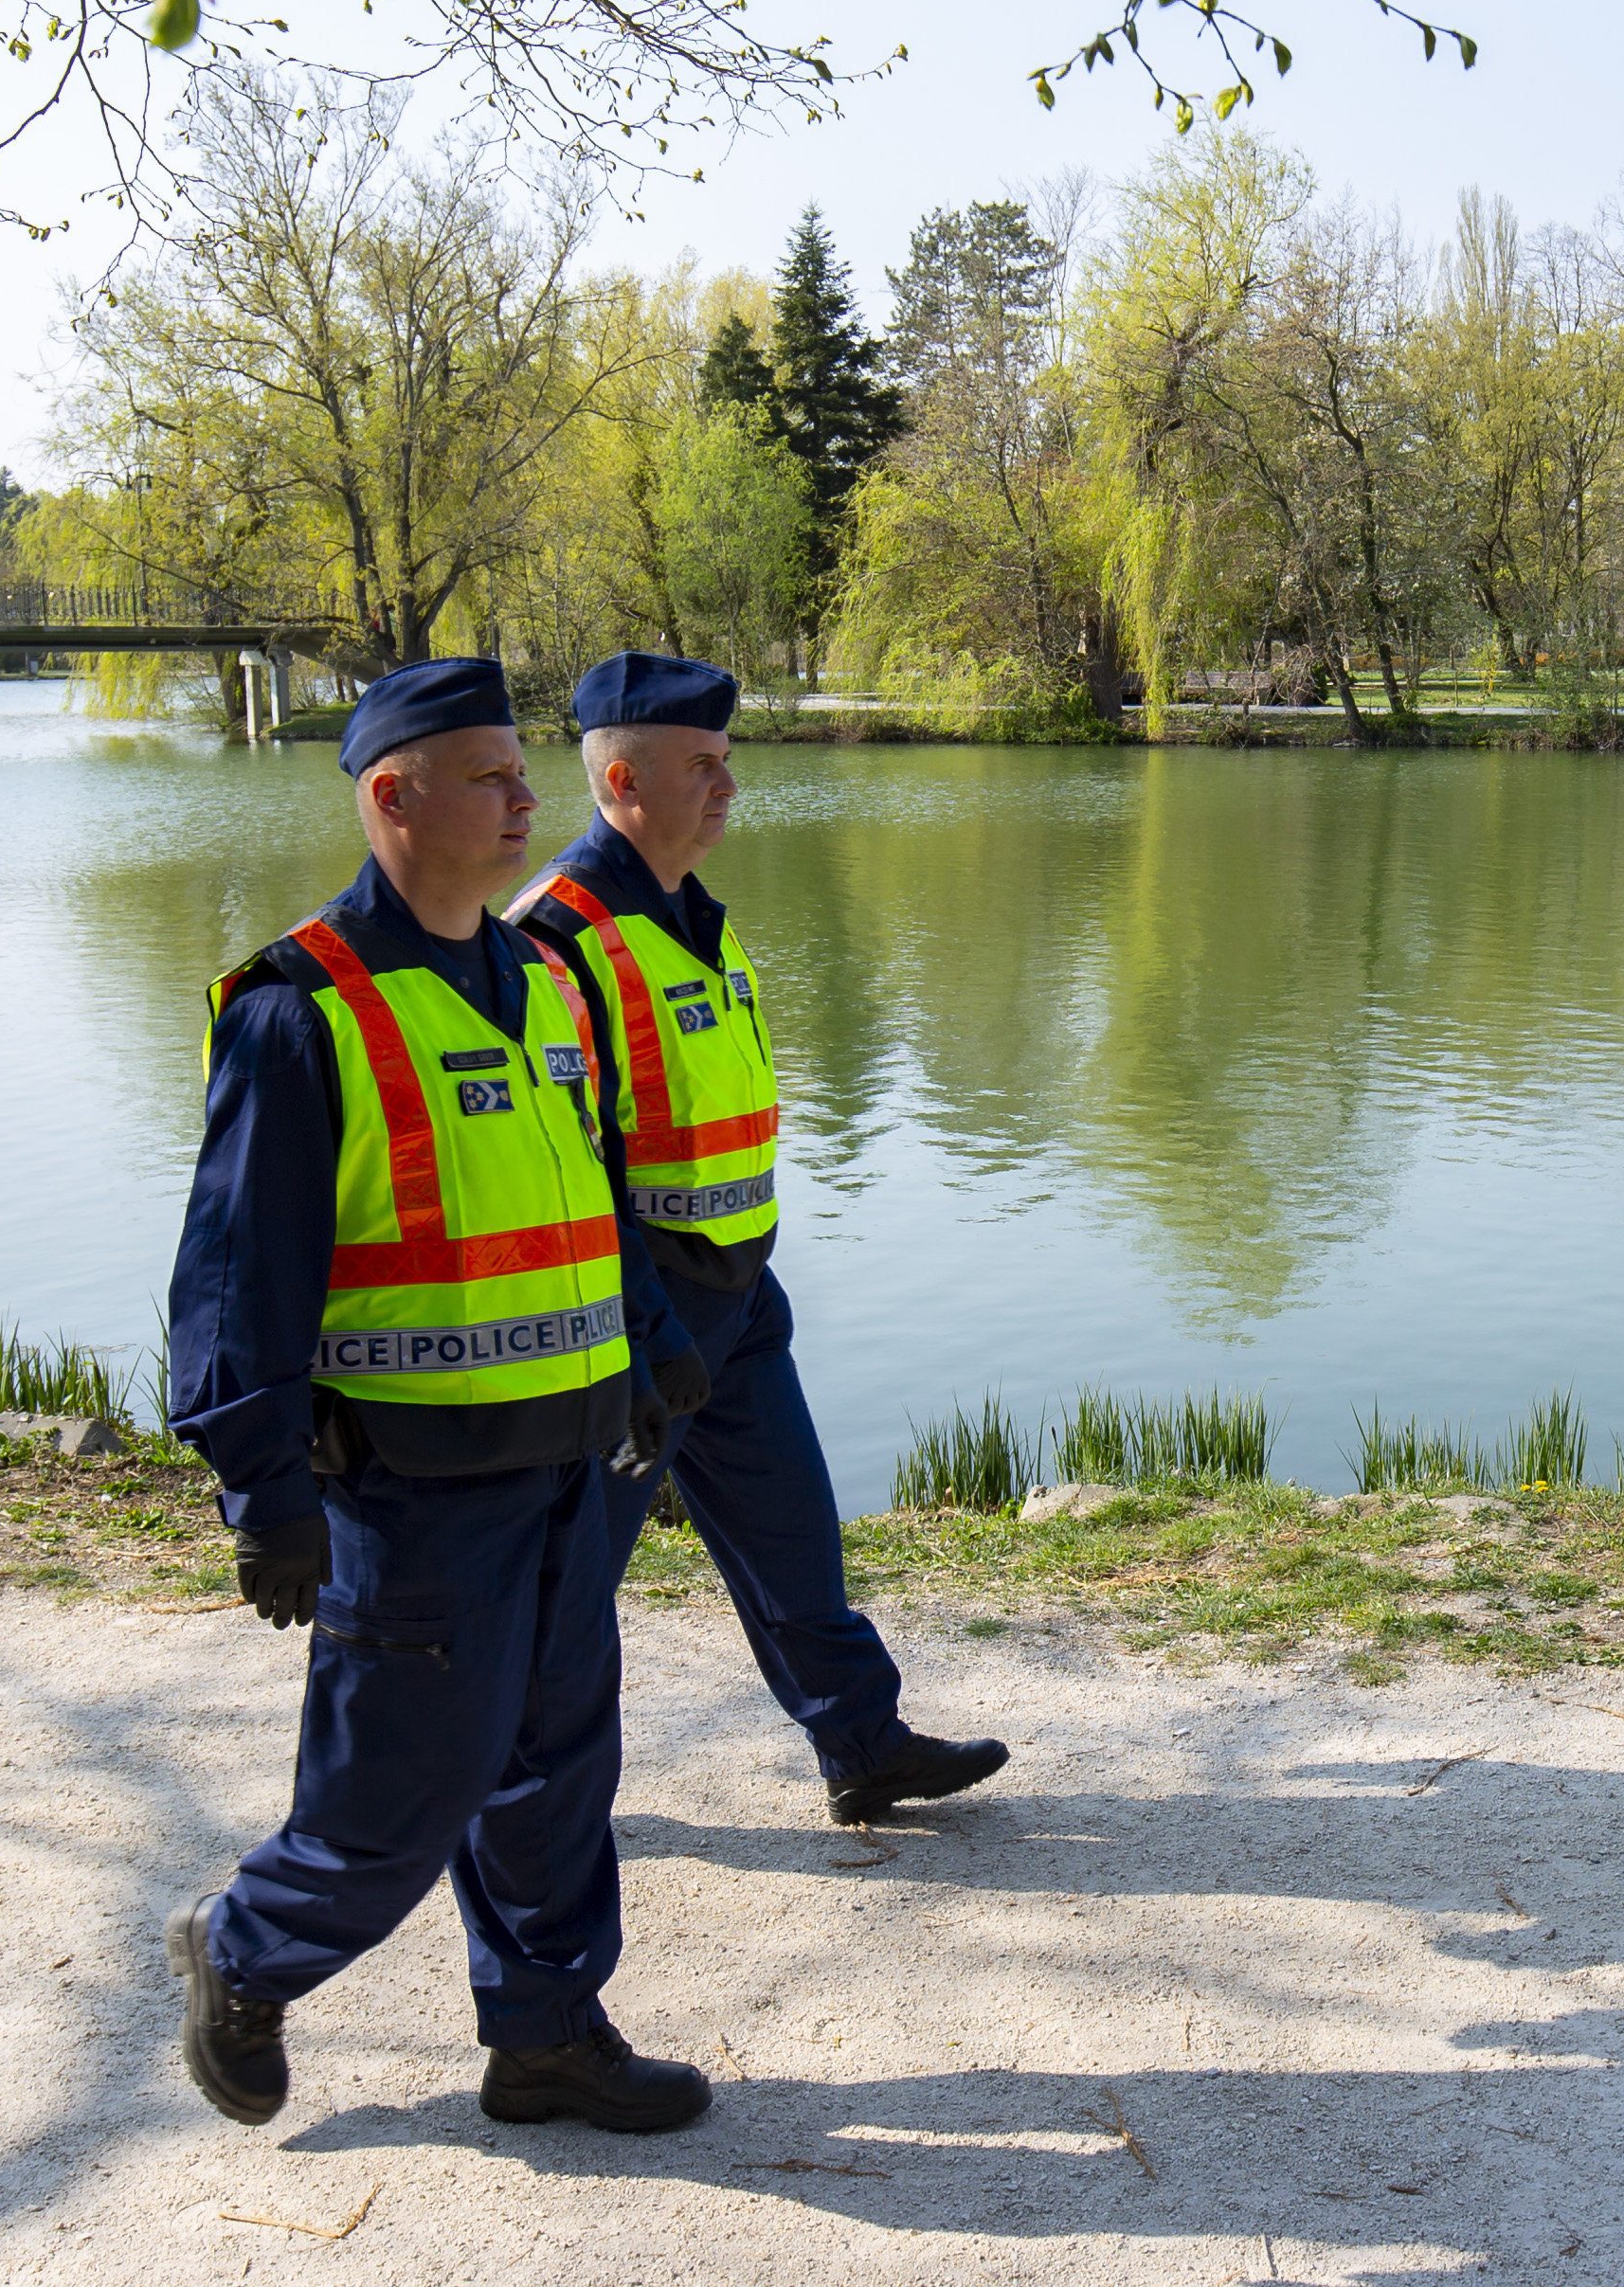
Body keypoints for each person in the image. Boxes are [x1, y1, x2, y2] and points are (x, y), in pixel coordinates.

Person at [157, 656, 717, 2136]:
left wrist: (651, 1346)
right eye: (491, 778)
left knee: (557, 1766)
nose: (528, 799)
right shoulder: (302, 1011)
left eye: (525, 773)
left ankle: (546, 2034)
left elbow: (589, 1191)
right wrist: (264, 1490)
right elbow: (237, 1277)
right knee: (408, 1785)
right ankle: (243, 1950)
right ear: (394, 799)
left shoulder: (544, 981)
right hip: (413, 1487)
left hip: (570, 1452)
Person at [517, 650, 1012, 1828]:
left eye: (727, 761)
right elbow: (565, 1165)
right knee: (566, 1574)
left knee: (792, 1537)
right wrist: (641, 1326)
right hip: (634, 1316)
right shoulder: (556, 937)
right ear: (622, 780)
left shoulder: (694, 918)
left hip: (738, 1296)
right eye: (702, 765)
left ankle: (862, 1743)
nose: (728, 786)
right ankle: (513, 1796)